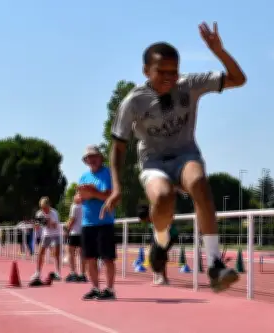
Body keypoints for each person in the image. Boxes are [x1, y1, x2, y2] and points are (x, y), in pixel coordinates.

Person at [103, 22, 247, 293]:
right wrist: (117, 186)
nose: (169, 78)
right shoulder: (133, 102)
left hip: (185, 154)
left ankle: (215, 263)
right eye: (162, 72)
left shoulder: (189, 85)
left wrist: (219, 51)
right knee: (163, 197)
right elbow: (118, 147)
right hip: (153, 162)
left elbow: (239, 79)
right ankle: (160, 242)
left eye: (174, 71)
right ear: (146, 71)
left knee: (200, 182)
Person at [78, 145, 116, 300]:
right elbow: (77, 197)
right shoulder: (83, 177)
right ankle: (94, 287)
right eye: (88, 157)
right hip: (87, 223)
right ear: (86, 161)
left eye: (94, 156)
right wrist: (83, 196)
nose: (91, 159)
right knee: (90, 258)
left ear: (100, 158)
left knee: (107, 258)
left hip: (104, 221)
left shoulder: (108, 173)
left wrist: (92, 193)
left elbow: (109, 195)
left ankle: (109, 289)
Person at [137, 204, 179, 286]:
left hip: (171, 235)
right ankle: (163, 278)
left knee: (160, 254)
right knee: (159, 254)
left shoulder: (157, 217)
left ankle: (164, 279)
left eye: (143, 220)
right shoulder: (151, 219)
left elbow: (169, 220)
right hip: (162, 236)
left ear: (147, 216)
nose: (144, 222)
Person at [29, 197, 62, 286]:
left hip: (56, 234)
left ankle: (58, 272)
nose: (44, 210)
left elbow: (55, 226)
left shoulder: (54, 213)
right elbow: (36, 226)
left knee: (56, 253)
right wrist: (36, 225)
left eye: (45, 208)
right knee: (40, 253)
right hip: (46, 234)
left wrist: (48, 221)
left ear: (49, 206)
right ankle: (38, 272)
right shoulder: (39, 213)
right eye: (42, 208)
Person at [65, 193, 88, 283]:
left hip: (74, 233)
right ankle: (82, 274)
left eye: (75, 195)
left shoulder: (74, 206)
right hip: (83, 232)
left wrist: (66, 230)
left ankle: (73, 273)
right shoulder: (85, 206)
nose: (74, 197)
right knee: (82, 254)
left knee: (70, 252)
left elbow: (72, 220)